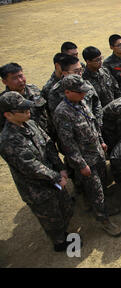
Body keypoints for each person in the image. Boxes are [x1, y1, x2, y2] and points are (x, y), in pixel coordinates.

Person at [0, 91, 74, 252]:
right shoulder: (8, 140)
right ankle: (60, 243)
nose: (28, 111)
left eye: (27, 108)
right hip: (37, 189)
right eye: (22, 110)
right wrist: (56, 176)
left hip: (54, 179)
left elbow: (48, 145)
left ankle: (65, 232)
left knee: (65, 207)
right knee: (51, 218)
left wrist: (60, 168)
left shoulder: (30, 123)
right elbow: (30, 167)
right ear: (8, 115)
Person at [53, 75, 121, 237]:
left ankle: (103, 207)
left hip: (97, 153)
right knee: (96, 190)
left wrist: (101, 141)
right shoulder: (62, 113)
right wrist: (81, 164)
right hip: (85, 160)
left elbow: (92, 124)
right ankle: (104, 220)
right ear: (68, 92)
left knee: (102, 184)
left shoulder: (80, 102)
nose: (84, 94)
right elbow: (67, 144)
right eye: (80, 92)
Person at [47, 55, 103, 126]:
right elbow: (58, 119)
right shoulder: (56, 92)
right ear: (65, 73)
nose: (80, 74)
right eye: (76, 71)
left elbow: (97, 103)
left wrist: (97, 121)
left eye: (81, 70)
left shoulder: (86, 83)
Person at [0, 62, 49, 133]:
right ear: (4, 82)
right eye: (14, 78)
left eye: (21, 76)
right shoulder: (4, 102)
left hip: (44, 134)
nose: (20, 80)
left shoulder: (33, 89)